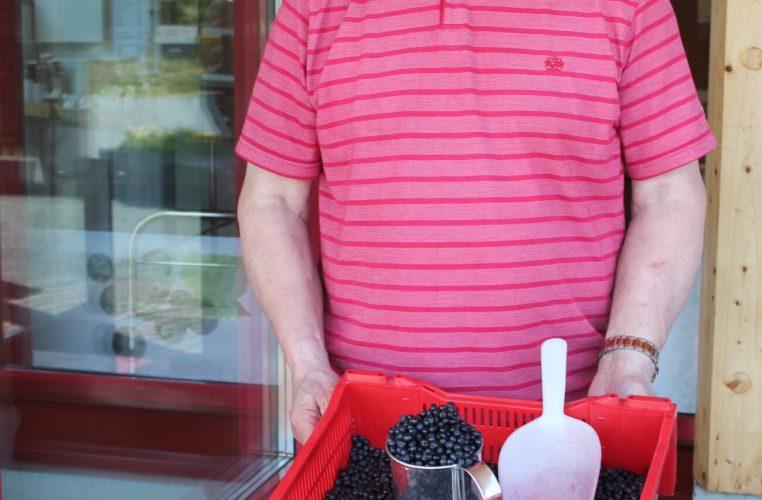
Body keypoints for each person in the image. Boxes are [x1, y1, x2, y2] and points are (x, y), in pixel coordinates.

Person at [235, 0, 715, 443]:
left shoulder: (629, 6)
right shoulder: (313, 8)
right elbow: (273, 201)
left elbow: (669, 196)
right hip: (362, 424)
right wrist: (307, 365)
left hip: (572, 423)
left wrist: (629, 358)